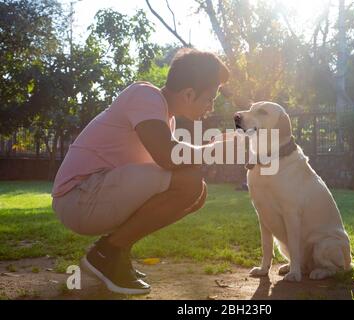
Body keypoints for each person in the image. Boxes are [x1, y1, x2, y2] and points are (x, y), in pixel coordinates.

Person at [52, 48, 230, 294]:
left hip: (93, 194)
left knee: (197, 193)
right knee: (189, 183)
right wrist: (214, 150)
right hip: (78, 197)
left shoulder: (165, 116)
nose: (210, 107)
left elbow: (170, 164)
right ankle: (107, 253)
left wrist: (208, 154)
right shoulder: (146, 96)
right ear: (189, 94)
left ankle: (115, 253)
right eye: (210, 98)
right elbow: (168, 156)